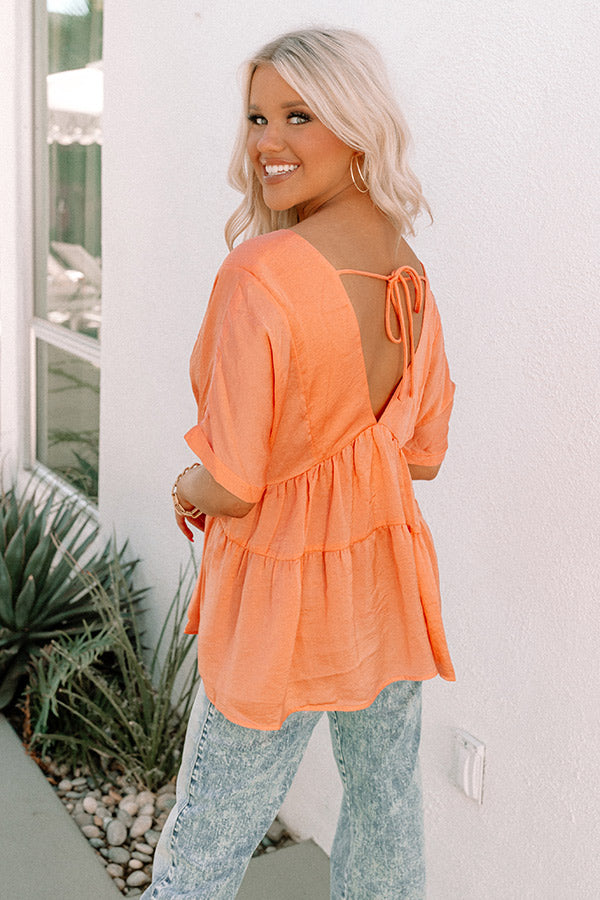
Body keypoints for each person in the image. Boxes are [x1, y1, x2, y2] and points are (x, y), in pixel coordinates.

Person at [143, 27, 455, 900]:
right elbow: (421, 455)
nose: (266, 141)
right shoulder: (407, 273)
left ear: (356, 126)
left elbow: (232, 483)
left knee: (204, 850)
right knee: (387, 823)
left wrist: (184, 486)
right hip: (383, 585)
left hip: (278, 603)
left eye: (298, 115)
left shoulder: (263, 273)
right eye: (256, 117)